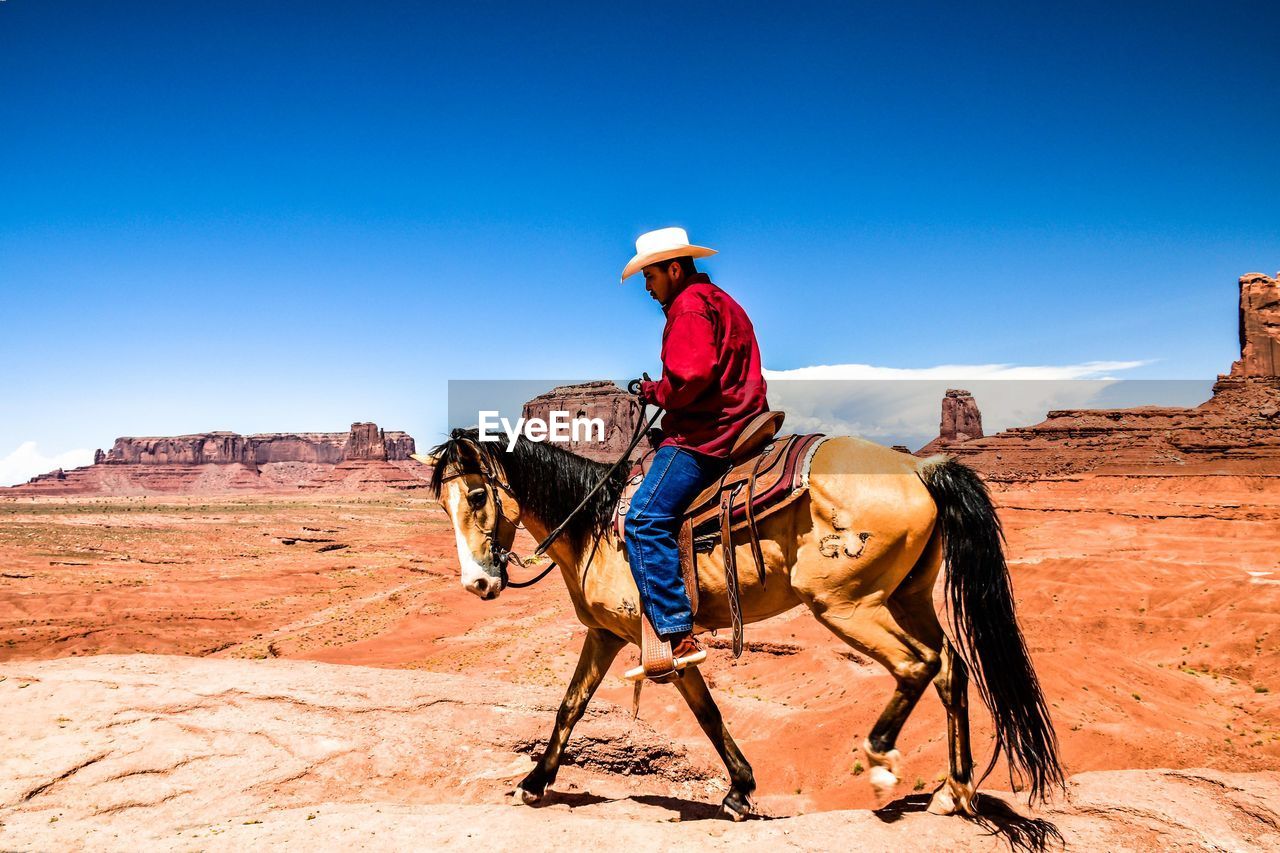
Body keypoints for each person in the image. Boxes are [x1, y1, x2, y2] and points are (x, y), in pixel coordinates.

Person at [621, 226, 770, 675]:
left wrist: (656, 391)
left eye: (649, 276)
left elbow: (692, 377)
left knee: (643, 519)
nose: (647, 287)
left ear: (673, 268)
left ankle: (677, 635)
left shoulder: (688, 306)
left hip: (706, 435)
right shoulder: (721, 300)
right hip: (743, 421)